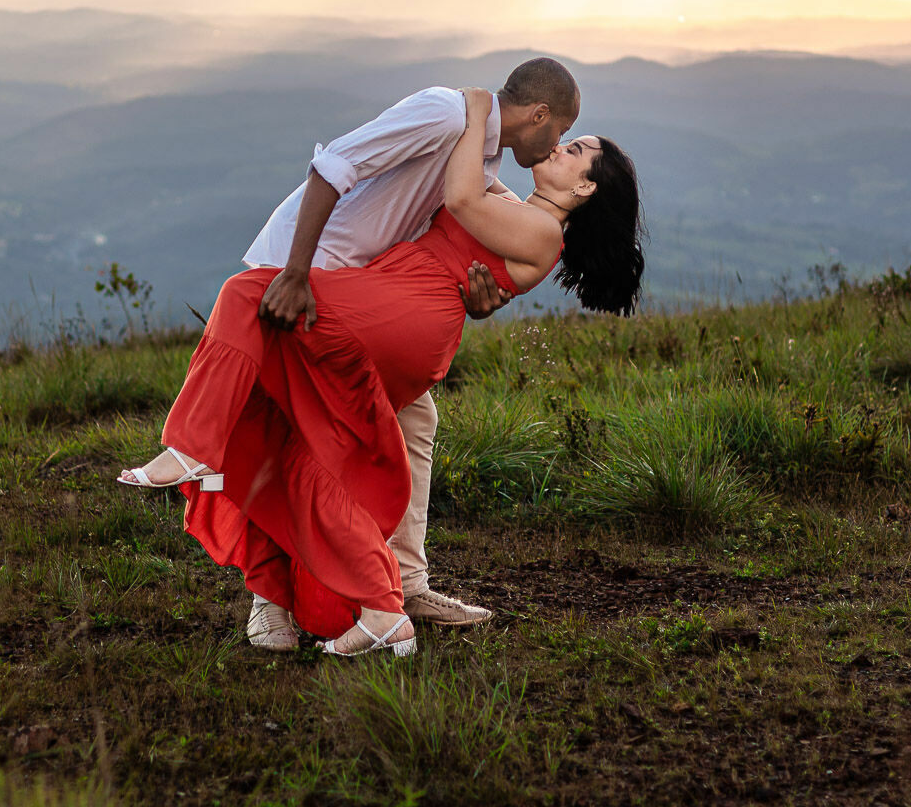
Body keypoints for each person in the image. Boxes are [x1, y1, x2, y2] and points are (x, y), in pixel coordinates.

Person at [120, 84, 645, 656]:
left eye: (575, 151)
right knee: (322, 451)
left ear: (586, 187)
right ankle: (374, 604)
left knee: (248, 295)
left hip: (398, 312)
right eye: (565, 137)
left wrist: (475, 114)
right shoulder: (521, 211)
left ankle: (196, 448)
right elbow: (470, 200)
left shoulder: (541, 230)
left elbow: (464, 200)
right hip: (395, 304)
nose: (561, 147)